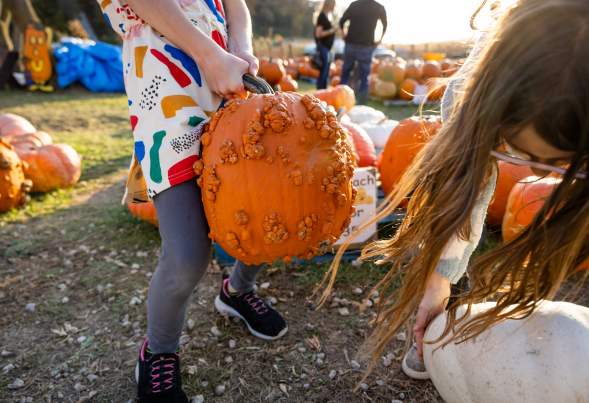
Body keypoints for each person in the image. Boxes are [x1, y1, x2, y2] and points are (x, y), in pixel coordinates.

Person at [321, 0, 589, 382]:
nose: (531, 171)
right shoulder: (468, 94)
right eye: (521, 152)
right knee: (453, 233)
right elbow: (466, 192)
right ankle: (448, 317)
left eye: (556, 163)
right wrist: (439, 279)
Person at [96, 1, 288, 401]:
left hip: (227, 84)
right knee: (187, 254)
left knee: (269, 210)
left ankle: (237, 291)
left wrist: (240, 47)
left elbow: (237, 7)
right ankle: (159, 351)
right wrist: (208, 54)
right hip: (166, 95)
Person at [339, 0, 387, 104]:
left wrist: (343, 34)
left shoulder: (354, 4)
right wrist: (379, 40)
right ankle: (361, 105)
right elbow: (385, 25)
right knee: (364, 77)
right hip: (366, 46)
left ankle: (341, 101)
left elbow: (341, 21)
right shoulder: (378, 7)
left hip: (351, 44)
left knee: (345, 73)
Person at [314, 0, 337, 89]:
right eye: (334, 5)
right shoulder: (322, 16)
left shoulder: (328, 16)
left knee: (326, 70)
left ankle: (323, 89)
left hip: (327, 48)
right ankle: (320, 89)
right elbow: (318, 34)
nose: (335, 7)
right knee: (323, 70)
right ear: (330, 5)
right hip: (323, 46)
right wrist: (331, 31)